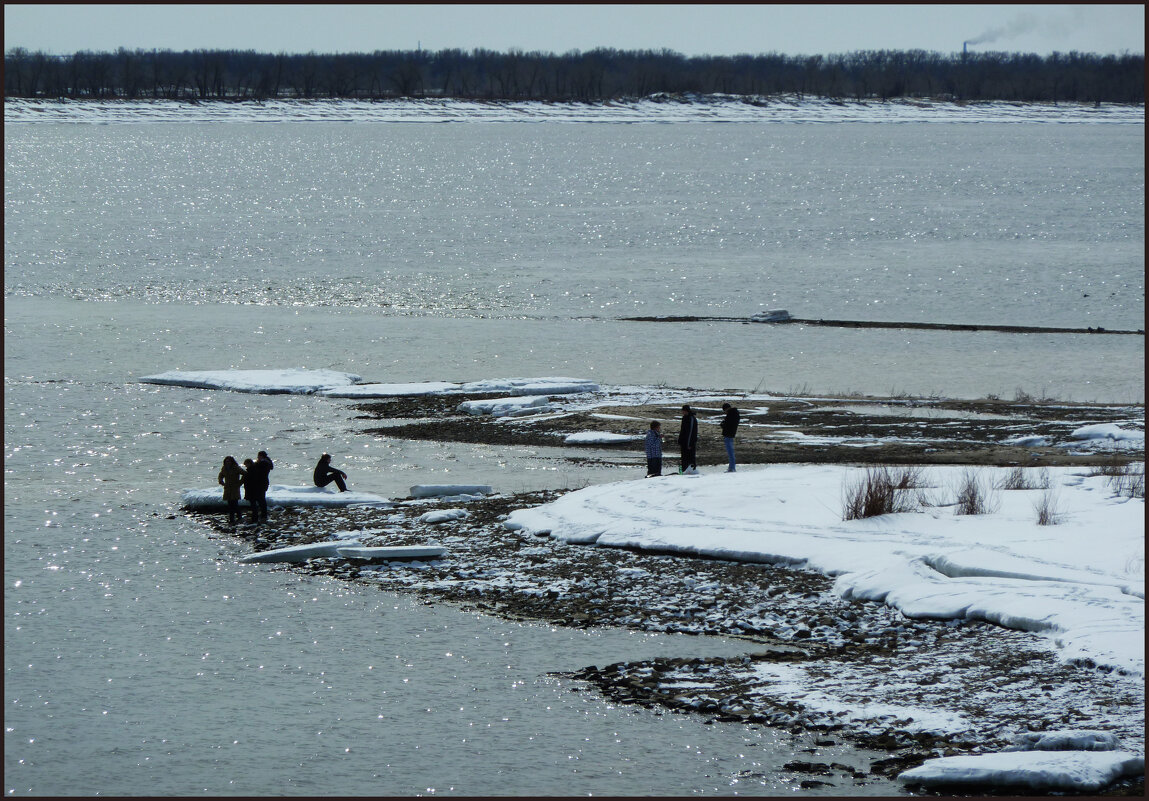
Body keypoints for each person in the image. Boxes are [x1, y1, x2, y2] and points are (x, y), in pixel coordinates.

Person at [245, 450, 274, 522]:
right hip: (263, 483)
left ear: (261, 456)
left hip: (260, 483)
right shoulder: (267, 463)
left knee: (260, 499)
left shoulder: (263, 463)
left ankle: (262, 515)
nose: (258, 458)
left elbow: (258, 473)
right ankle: (263, 515)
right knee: (261, 499)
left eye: (258, 456)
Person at [217, 456, 246, 526]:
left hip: (234, 488)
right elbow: (220, 475)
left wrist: (240, 482)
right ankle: (232, 520)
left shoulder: (236, 468)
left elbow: (244, 474)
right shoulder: (224, 468)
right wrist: (221, 482)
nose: (228, 463)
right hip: (227, 488)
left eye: (229, 461)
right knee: (230, 504)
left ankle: (239, 517)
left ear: (232, 461)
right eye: (226, 461)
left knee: (235, 503)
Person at [677, 405, 699, 474]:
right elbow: (683, 431)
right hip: (684, 443)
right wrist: (680, 440)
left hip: (689, 443)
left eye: (683, 411)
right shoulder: (684, 418)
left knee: (691, 458)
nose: (682, 412)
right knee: (684, 459)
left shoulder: (691, 418)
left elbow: (691, 432)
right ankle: (683, 472)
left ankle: (692, 471)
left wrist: (689, 444)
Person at [721, 402, 740, 472]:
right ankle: (731, 467)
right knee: (731, 452)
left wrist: (723, 425)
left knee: (730, 452)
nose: (725, 412)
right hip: (731, 434)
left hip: (728, 435)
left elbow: (728, 425)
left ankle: (732, 468)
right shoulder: (735, 414)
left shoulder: (731, 414)